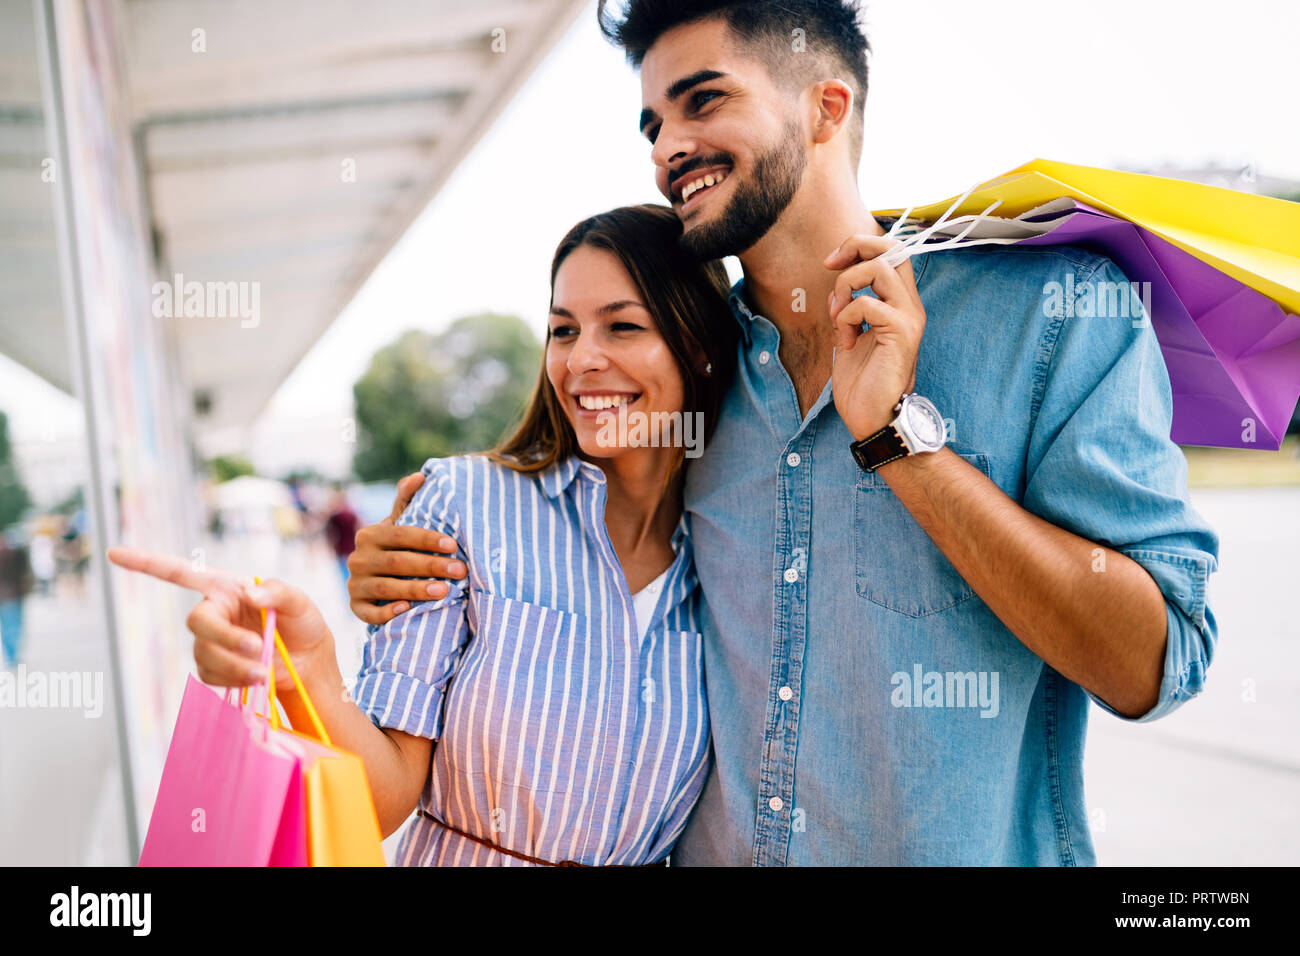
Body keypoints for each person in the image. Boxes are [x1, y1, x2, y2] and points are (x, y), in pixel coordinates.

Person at [346, 0, 1220, 865]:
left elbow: (1151, 664)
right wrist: (411, 571)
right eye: (653, 123)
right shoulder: (689, 374)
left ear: (825, 107)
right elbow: (555, 552)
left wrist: (898, 443)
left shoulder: (1051, 315)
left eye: (704, 100)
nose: (666, 147)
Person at [109, 204, 738, 866]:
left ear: (698, 347)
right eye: (562, 330)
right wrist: (308, 671)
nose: (581, 359)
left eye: (623, 326)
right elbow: (380, 804)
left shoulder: (725, 561)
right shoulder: (465, 507)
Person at [0, 529, 34, 668]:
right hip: (11, 595)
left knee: (9, 627)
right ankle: (12, 657)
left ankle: (11, 656)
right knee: (13, 626)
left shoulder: (14, 553)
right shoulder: (13, 553)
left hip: (11, 595)